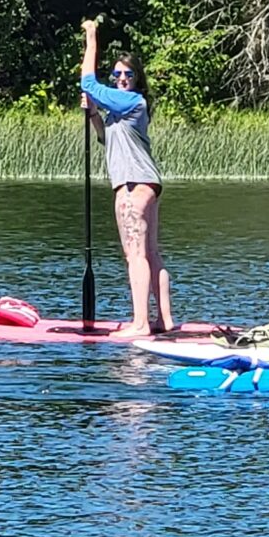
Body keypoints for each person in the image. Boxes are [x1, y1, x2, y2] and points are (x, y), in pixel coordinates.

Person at [81, 19, 175, 339]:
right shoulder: (119, 111)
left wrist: (92, 38)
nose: (121, 78)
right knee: (150, 253)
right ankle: (165, 320)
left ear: (137, 79)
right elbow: (107, 140)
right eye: (117, 74)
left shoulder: (133, 101)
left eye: (128, 74)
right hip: (147, 183)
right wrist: (93, 114)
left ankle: (140, 324)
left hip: (133, 185)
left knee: (134, 254)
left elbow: (88, 83)